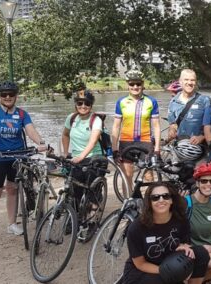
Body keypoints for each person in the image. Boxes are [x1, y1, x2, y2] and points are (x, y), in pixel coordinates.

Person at [0, 81, 48, 246]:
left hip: (18, 157)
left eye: (11, 94)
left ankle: (12, 224)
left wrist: (41, 142)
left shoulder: (21, 114)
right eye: (4, 94)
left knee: (12, 190)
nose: (7, 97)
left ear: (15, 96)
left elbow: (30, 130)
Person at [121, 182, 210, 284]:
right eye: (155, 197)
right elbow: (140, 264)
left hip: (170, 263)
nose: (161, 200)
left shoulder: (180, 219)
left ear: (171, 200)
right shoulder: (137, 227)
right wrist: (165, 271)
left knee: (201, 253)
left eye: (166, 196)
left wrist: (183, 246)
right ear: (149, 202)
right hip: (144, 271)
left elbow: (185, 243)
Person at [61, 89, 108, 240]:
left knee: (92, 193)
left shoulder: (96, 120)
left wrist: (81, 156)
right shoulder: (72, 118)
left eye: (86, 103)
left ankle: (93, 221)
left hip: (94, 158)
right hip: (76, 159)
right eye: (79, 103)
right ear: (75, 104)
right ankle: (75, 219)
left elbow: (93, 140)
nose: (83, 106)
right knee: (74, 191)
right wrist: (65, 152)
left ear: (91, 105)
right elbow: (65, 134)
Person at [111, 69, 161, 196]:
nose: (135, 87)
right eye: (132, 84)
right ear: (127, 85)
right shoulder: (121, 102)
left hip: (145, 142)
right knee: (127, 176)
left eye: (138, 84)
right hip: (126, 142)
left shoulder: (151, 101)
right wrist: (114, 148)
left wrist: (157, 148)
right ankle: (129, 204)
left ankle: (148, 205)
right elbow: (116, 126)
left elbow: (156, 126)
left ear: (143, 85)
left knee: (148, 177)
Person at [166, 69, 211, 147]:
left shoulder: (205, 100)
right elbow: (173, 124)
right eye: (186, 79)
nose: (190, 83)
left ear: (196, 82)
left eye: (192, 80)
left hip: (200, 147)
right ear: (180, 81)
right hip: (180, 147)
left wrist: (202, 137)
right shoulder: (173, 102)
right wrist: (172, 130)